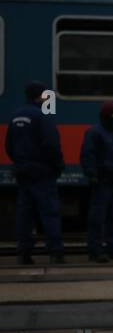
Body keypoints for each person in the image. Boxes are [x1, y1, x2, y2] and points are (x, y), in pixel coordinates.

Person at [7, 81, 64, 265]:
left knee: (25, 214)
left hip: (23, 172)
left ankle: (24, 252)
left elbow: (9, 146)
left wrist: (19, 162)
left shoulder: (16, 116)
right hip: (42, 173)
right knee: (49, 213)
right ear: (39, 96)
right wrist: (57, 165)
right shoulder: (42, 116)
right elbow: (51, 144)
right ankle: (55, 252)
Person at [80, 101, 113, 262]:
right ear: (106, 117)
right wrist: (92, 175)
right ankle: (95, 250)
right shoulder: (95, 133)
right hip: (102, 181)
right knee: (98, 218)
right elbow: (87, 155)